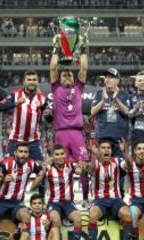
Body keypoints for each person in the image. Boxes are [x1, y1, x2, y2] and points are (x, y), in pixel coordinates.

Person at [50, 34, 90, 203]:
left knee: (84, 167)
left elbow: (84, 68)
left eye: (69, 75)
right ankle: (61, 198)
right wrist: (55, 47)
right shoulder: (56, 87)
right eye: (64, 75)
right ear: (60, 79)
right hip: (61, 133)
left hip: (76, 134)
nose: (67, 77)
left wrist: (82, 47)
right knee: (60, 167)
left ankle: (86, 198)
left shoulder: (79, 88)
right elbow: (53, 68)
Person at [0, 143, 43, 240]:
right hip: (0, 201)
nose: (23, 154)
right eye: (21, 151)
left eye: (26, 152)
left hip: (17, 203)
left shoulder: (32, 164)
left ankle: (22, 236)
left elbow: (42, 172)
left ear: (28, 154)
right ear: (15, 153)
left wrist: (36, 183)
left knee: (26, 215)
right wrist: (1, 181)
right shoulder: (5, 164)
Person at [31, 144, 86, 240]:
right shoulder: (48, 168)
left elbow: (79, 171)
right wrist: (43, 170)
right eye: (57, 154)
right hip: (54, 203)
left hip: (68, 203)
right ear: (53, 156)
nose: (60, 156)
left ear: (65, 154)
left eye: (62, 153)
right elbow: (34, 185)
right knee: (56, 220)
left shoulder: (70, 165)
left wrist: (82, 169)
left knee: (78, 218)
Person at [87, 140, 133, 240]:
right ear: (99, 150)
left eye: (108, 148)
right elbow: (91, 171)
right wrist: (94, 155)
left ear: (111, 151)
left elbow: (130, 166)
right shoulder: (95, 162)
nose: (106, 150)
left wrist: (124, 151)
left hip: (115, 200)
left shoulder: (117, 161)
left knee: (127, 215)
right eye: (103, 148)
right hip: (100, 201)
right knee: (93, 215)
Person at [1, 70, 50, 161]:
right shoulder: (15, 95)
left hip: (33, 141)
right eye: (29, 79)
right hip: (15, 139)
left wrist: (49, 115)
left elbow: (50, 119)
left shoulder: (43, 98)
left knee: (39, 167)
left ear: (37, 82)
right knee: (8, 166)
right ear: (24, 82)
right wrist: (16, 103)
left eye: (34, 79)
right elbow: (1, 107)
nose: (32, 82)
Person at [119, 139, 144, 239]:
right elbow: (128, 164)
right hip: (136, 201)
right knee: (132, 215)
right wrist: (124, 152)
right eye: (139, 149)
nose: (142, 151)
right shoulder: (129, 163)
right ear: (135, 151)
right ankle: (133, 236)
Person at [91, 68, 130, 158]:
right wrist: (103, 101)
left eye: (111, 77)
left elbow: (127, 112)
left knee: (119, 166)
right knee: (102, 167)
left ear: (118, 80)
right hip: (102, 138)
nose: (107, 79)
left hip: (119, 139)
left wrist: (116, 100)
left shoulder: (124, 94)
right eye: (106, 77)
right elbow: (93, 112)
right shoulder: (99, 93)